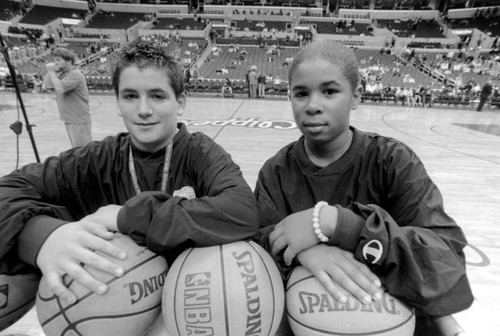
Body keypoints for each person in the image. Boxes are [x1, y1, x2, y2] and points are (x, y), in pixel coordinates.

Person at [0, 40, 258, 332]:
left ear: (181, 102)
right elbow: (7, 189)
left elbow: (243, 210)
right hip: (107, 308)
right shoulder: (95, 159)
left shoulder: (200, 153)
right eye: (131, 96)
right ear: (118, 102)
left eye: (158, 96)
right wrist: (44, 238)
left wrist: (128, 217)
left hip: (189, 311)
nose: (143, 109)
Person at [253, 40, 473, 336]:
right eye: (301, 93)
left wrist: (340, 225)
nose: (313, 105)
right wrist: (304, 254)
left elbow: (445, 260)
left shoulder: (393, 161)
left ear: (356, 95)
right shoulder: (276, 172)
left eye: (329, 91)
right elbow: (258, 254)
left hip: (394, 321)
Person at [45, 47, 92, 148]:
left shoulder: (75, 74)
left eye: (58, 60)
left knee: (82, 151)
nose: (55, 63)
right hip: (69, 118)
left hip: (78, 120)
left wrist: (52, 72)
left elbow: (59, 88)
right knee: (76, 150)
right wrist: (51, 72)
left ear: (69, 61)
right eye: (54, 60)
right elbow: (47, 85)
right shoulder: (62, 73)